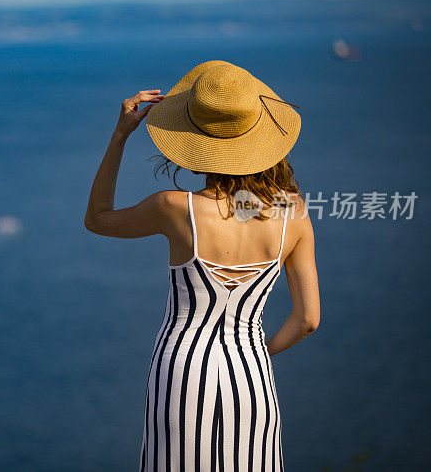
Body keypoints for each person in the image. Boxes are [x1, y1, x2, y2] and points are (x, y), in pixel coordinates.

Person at [83, 60, 320, 471]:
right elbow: (307, 320)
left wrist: (120, 135)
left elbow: (97, 219)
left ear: (196, 149)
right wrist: (255, 353)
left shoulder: (173, 207)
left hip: (182, 370)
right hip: (251, 374)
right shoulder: (294, 213)